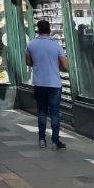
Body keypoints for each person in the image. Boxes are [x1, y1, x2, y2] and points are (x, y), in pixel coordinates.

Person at [25, 19, 69, 150]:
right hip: (54, 84)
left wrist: (39, 64)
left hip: (39, 84)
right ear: (49, 30)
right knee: (55, 113)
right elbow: (66, 66)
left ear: (38, 29)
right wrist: (58, 67)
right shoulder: (56, 45)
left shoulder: (31, 45)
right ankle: (55, 142)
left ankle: (42, 140)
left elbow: (28, 62)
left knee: (42, 111)